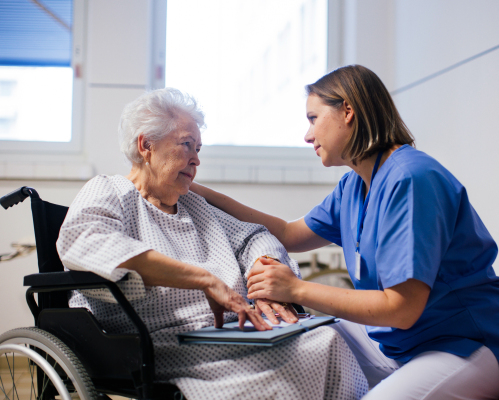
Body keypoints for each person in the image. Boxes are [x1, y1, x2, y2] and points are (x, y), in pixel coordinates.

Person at [190, 65, 499, 400]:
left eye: (313, 119)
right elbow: (289, 233)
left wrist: (295, 288)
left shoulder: (412, 180)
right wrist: (198, 192)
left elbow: (401, 309)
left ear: (348, 112)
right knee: (296, 343)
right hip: (403, 341)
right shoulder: (354, 185)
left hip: (470, 344)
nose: (307, 135)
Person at [56, 88, 368, 400]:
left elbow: (254, 236)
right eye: (186, 145)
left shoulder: (194, 204)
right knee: (304, 358)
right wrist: (204, 279)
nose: (196, 159)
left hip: (229, 331)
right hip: (160, 341)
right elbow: (85, 240)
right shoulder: (110, 191)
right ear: (146, 145)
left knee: (328, 339)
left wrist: (263, 272)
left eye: (198, 148)